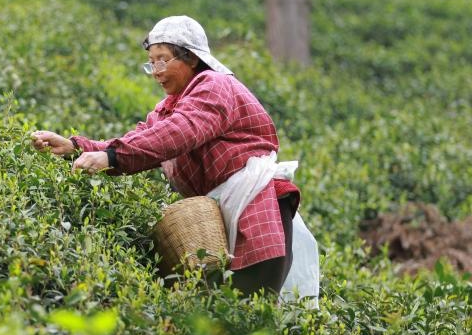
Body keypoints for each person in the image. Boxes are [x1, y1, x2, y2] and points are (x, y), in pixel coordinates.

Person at [31, 15, 314, 299]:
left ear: (191, 58)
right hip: (222, 214)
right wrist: (75, 147)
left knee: (252, 307)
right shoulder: (168, 108)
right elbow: (140, 139)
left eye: (163, 60)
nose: (155, 71)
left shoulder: (214, 85)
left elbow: (179, 133)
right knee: (220, 311)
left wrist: (112, 157)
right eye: (151, 62)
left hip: (255, 208)